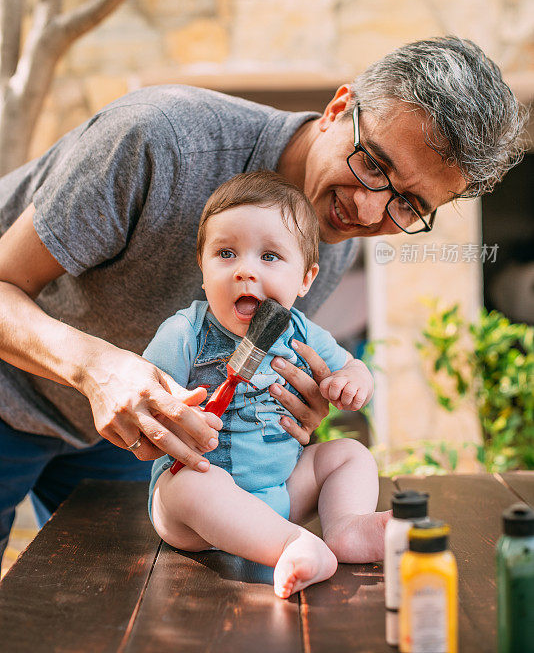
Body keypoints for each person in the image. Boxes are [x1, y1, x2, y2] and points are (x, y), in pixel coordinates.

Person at [0, 36, 527, 563]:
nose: (368, 213)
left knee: (106, 616)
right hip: (14, 387)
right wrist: (98, 369)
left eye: (409, 203)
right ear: (338, 110)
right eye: (371, 163)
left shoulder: (329, 238)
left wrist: (304, 404)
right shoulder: (159, 142)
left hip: (128, 435)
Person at [147, 171, 385, 598]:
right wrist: (177, 411)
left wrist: (352, 380)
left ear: (306, 278)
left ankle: (346, 527)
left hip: (281, 487)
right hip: (196, 499)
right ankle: (290, 545)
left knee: (349, 454)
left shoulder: (300, 331)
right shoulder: (185, 332)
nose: (245, 271)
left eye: (270, 257)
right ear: (202, 268)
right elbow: (144, 399)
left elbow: (353, 367)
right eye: (226, 253)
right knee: (190, 486)